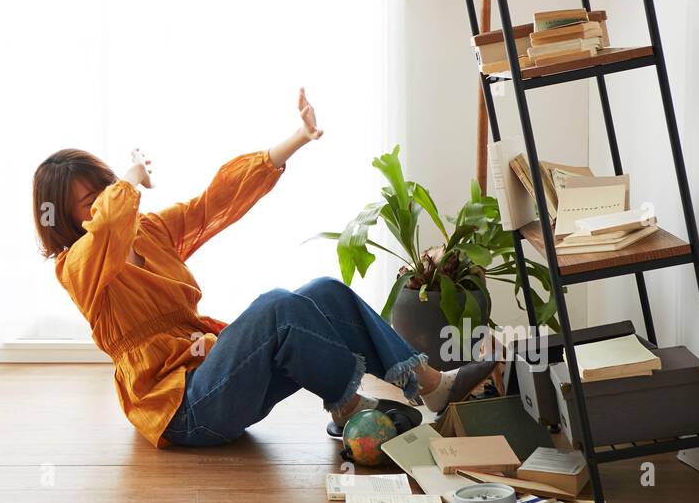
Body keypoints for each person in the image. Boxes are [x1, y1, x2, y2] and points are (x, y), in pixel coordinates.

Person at [30, 88, 500, 448]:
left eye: (104, 190)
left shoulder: (150, 230)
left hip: (217, 376)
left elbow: (219, 200)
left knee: (324, 291)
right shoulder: (77, 267)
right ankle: (349, 407)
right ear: (65, 221)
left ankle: (433, 386)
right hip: (182, 412)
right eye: (87, 204)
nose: (105, 205)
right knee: (277, 306)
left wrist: (298, 138)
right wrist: (131, 177)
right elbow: (109, 222)